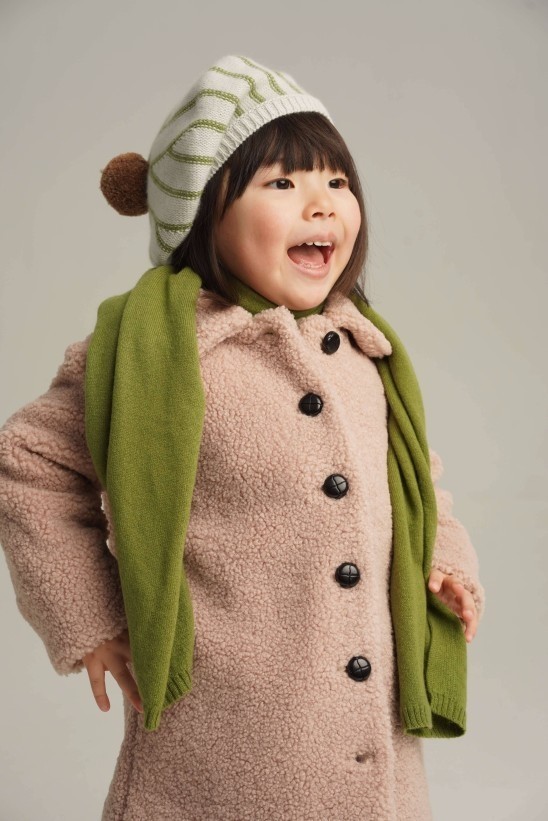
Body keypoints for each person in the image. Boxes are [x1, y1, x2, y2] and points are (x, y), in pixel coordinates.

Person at [0, 54, 485, 820]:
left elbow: (415, 486)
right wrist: (89, 617)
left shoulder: (364, 351)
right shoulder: (157, 352)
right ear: (203, 213)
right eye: (282, 184)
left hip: (375, 750)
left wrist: (445, 563)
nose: (322, 204)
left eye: (337, 181)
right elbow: (28, 461)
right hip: (220, 746)